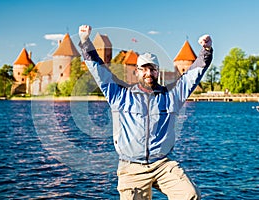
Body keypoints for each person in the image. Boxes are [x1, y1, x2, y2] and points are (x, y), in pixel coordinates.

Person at [78, 25, 213, 200]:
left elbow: (193, 75)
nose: (148, 73)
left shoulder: (171, 96)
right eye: (144, 69)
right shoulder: (119, 94)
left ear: (157, 71)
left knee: (190, 195)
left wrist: (206, 50)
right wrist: (85, 41)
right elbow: (98, 70)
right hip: (131, 166)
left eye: (152, 69)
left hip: (162, 164)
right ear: (137, 71)